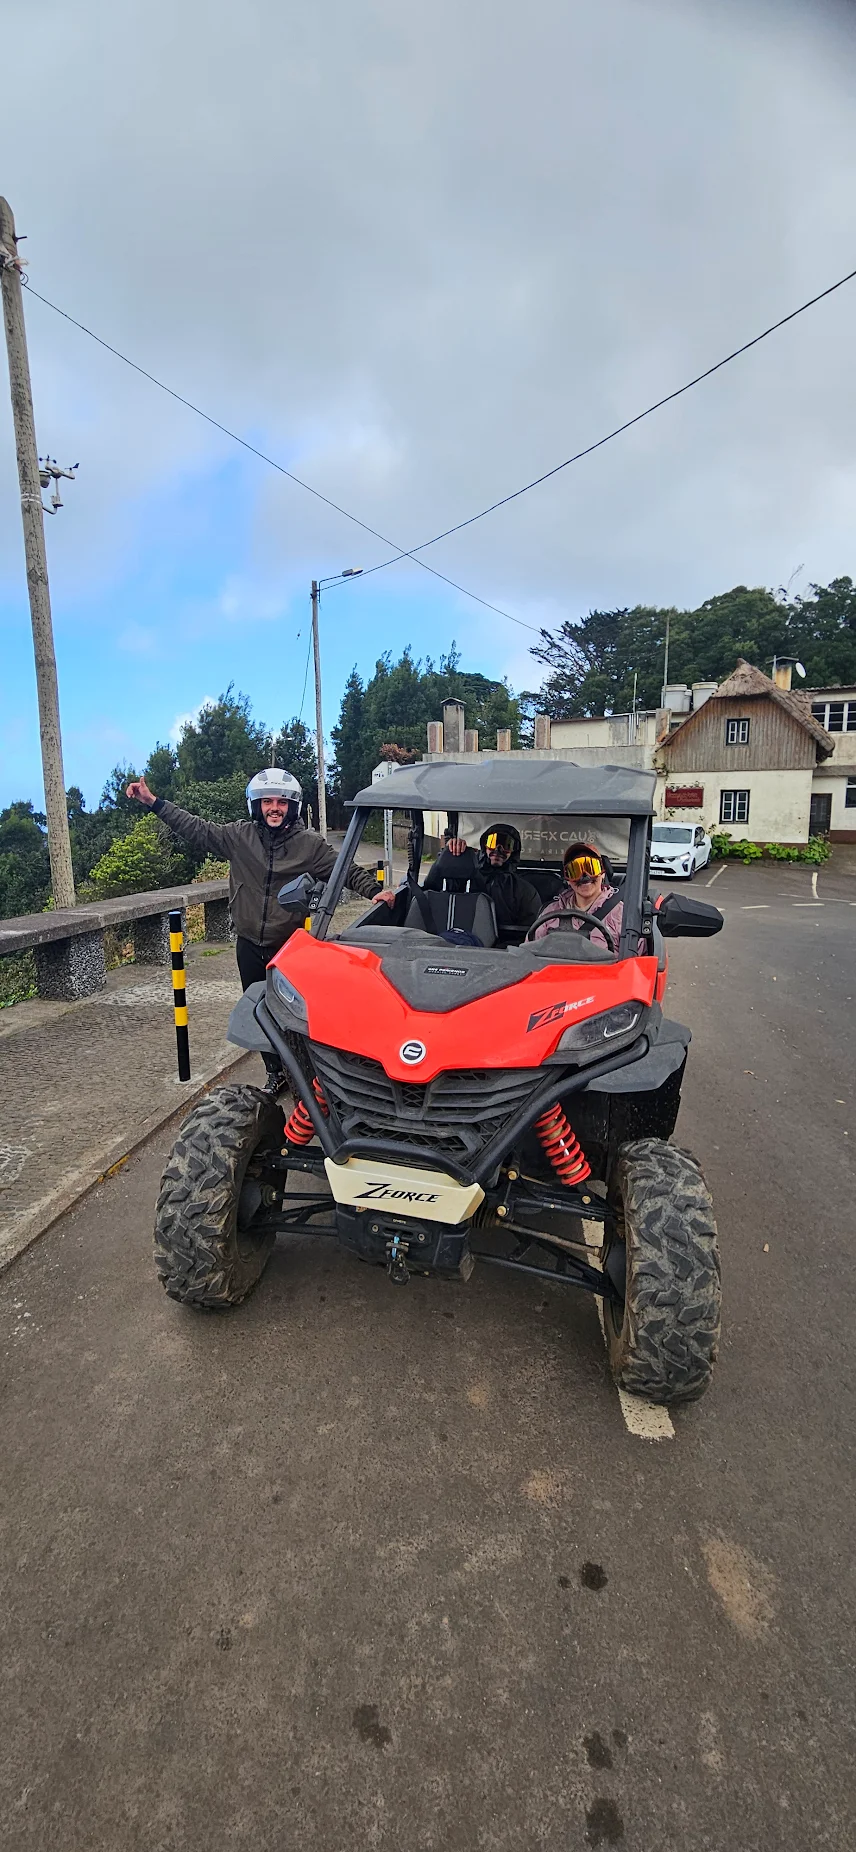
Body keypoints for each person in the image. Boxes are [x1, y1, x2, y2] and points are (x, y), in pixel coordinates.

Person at [125, 768, 391, 990]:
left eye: (282, 802)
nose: (274, 808)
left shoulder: (309, 845)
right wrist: (154, 803)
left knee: (289, 1016)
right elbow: (196, 828)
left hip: (289, 945)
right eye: (267, 802)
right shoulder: (239, 837)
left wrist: (373, 891)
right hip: (248, 945)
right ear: (256, 805)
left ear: (292, 806)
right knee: (254, 1012)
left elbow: (345, 869)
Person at [425, 822, 541, 934]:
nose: (498, 850)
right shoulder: (465, 877)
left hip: (503, 945)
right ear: (484, 846)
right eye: (492, 842)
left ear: (513, 851)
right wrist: (448, 854)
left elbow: (529, 933)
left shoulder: (524, 891)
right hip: (462, 940)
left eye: (506, 845)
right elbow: (429, 891)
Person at [532, 841, 625, 952]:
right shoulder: (550, 913)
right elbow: (531, 952)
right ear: (568, 879)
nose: (584, 876)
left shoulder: (621, 915)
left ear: (603, 873)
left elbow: (636, 958)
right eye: (575, 870)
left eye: (591, 868)